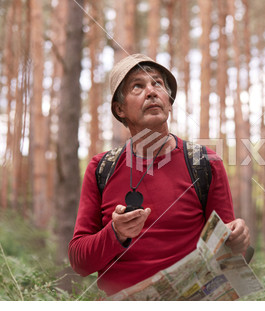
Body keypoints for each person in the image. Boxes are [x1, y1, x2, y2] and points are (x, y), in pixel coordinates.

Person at [68, 53, 250, 296]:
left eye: (157, 84)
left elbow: (227, 249)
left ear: (169, 102)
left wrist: (238, 238)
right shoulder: (101, 168)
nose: (151, 91)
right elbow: (80, 263)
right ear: (119, 109)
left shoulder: (205, 163)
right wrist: (116, 233)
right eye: (137, 86)